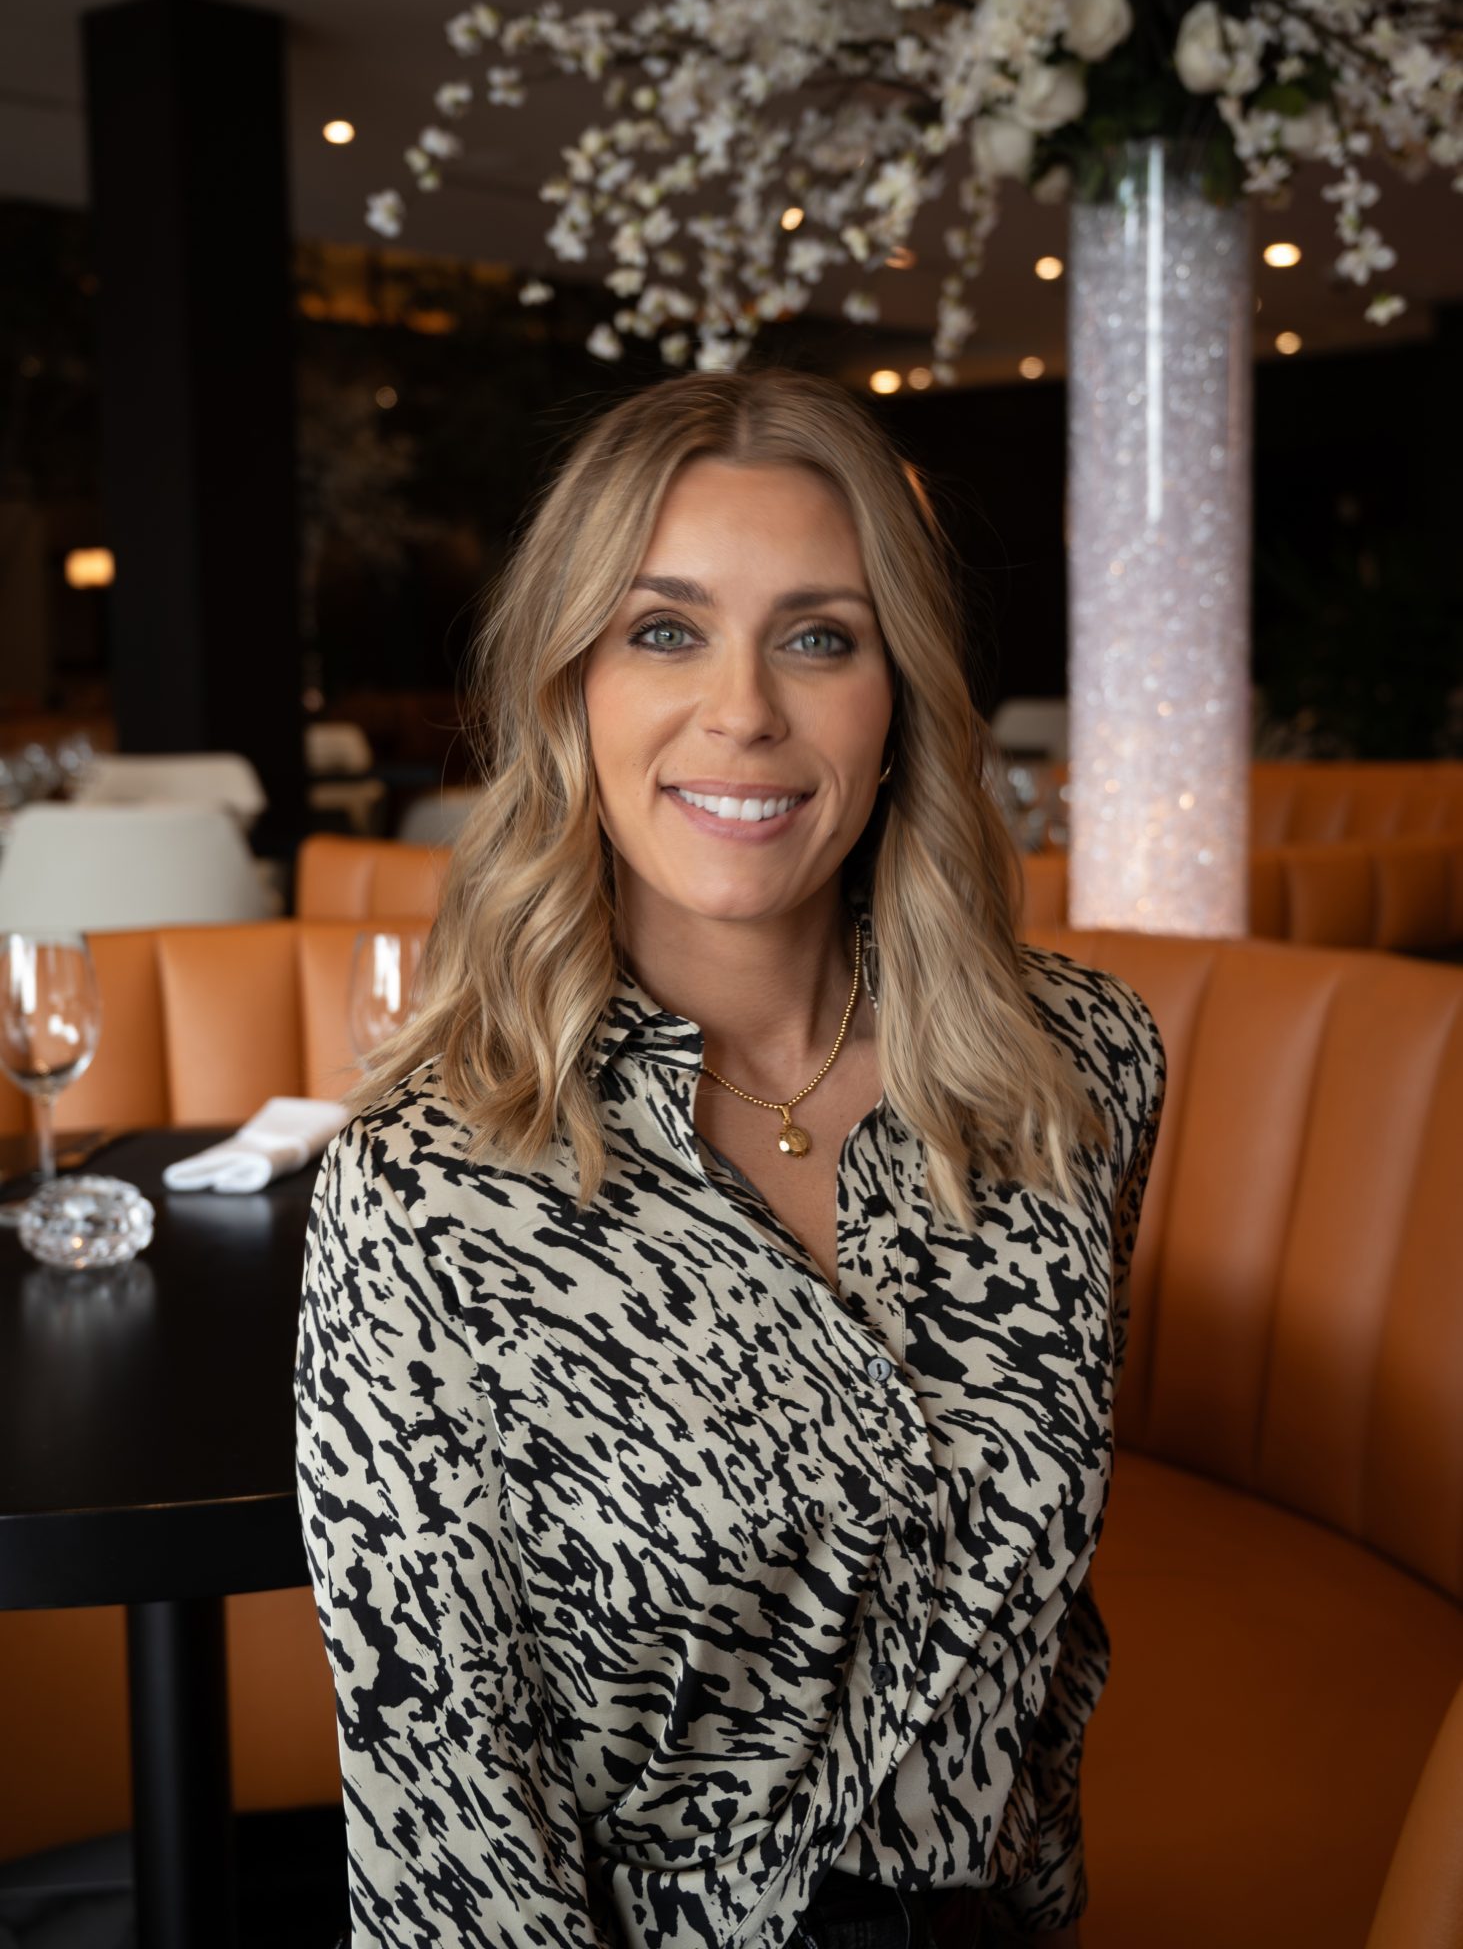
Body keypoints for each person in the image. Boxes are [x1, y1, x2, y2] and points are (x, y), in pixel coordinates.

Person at [293, 362, 1167, 1949]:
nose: (746, 709)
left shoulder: (1079, 1072)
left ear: (897, 691)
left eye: (819, 636)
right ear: (569, 688)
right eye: (664, 629)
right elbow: (448, 1809)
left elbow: (1041, 1638)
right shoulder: (426, 1193)